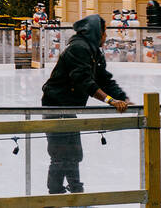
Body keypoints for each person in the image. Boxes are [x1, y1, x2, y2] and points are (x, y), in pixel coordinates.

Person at [41, 15, 130, 195]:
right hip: (56, 106)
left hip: (68, 108)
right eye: (104, 32)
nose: (105, 37)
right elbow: (84, 81)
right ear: (96, 32)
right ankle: (57, 195)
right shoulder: (79, 49)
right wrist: (110, 101)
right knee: (60, 155)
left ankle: (75, 193)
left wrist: (124, 99)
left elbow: (103, 79)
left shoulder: (93, 51)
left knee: (72, 153)